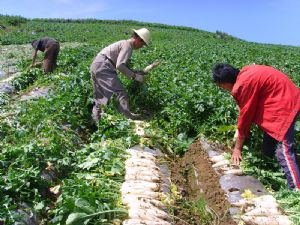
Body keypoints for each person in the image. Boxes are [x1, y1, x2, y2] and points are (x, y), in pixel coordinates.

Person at [212, 63, 300, 191]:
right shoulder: (246, 72)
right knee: (268, 146)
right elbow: (245, 108)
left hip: (284, 106)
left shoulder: (244, 84)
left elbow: (246, 116)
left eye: (221, 86)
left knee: (284, 151)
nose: (223, 88)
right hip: (284, 99)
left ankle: (296, 190)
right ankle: (267, 169)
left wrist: (237, 148)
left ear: (225, 83)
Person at [90, 28, 150, 122]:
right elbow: (120, 66)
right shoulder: (128, 46)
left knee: (100, 98)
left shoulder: (123, 43)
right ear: (138, 39)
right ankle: (126, 120)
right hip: (104, 66)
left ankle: (96, 123)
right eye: (142, 44)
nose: (141, 47)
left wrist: (136, 72)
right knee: (120, 93)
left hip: (97, 65)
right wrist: (135, 77)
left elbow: (122, 65)